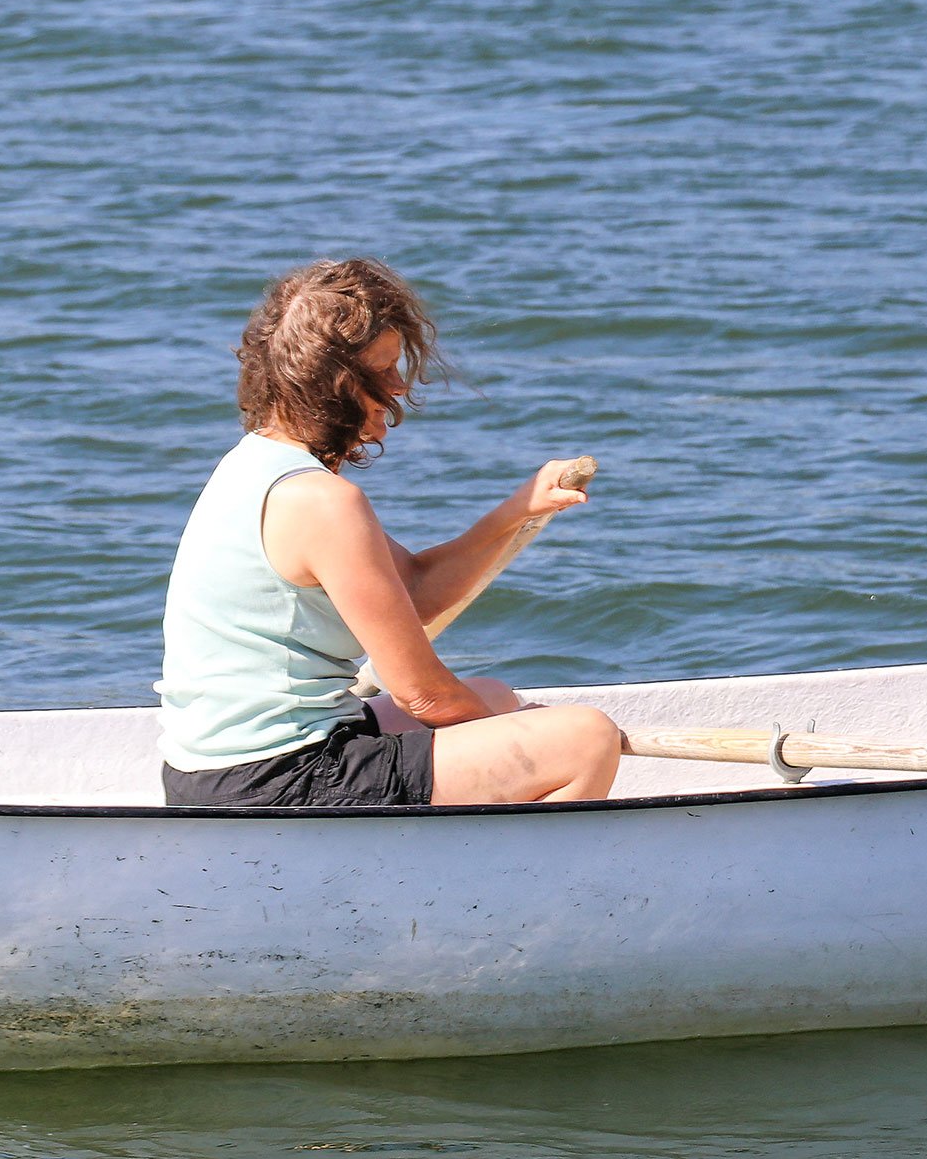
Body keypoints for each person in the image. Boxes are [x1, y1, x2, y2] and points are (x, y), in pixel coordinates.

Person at [158, 258, 623, 808]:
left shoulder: (254, 463)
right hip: (275, 778)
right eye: (382, 371)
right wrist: (517, 739)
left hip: (218, 770)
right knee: (585, 740)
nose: (400, 387)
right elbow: (423, 694)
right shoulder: (322, 502)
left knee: (498, 699)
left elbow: (418, 591)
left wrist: (519, 510)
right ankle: (506, 888)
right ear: (327, 384)